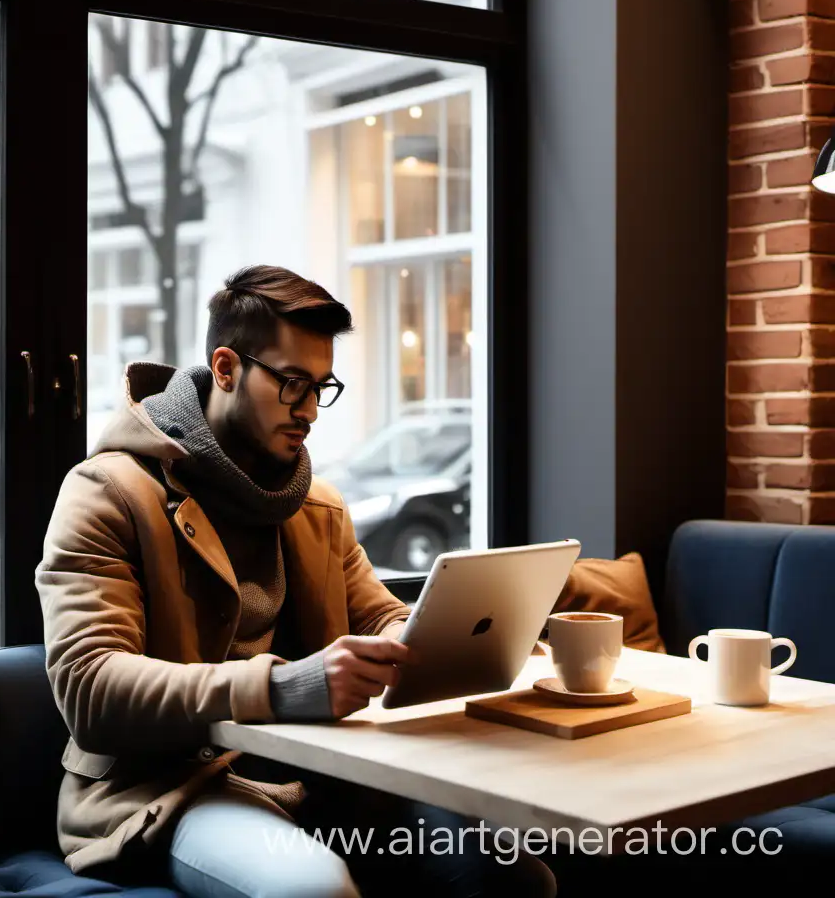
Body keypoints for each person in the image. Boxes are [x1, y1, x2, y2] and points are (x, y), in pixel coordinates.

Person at [36, 265, 556, 898]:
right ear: (225, 368)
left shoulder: (317, 508)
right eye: (290, 383)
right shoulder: (109, 494)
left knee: (514, 876)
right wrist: (287, 687)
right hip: (170, 789)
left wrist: (465, 639)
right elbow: (91, 689)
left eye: (321, 386)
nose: (310, 410)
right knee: (313, 888)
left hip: (327, 774)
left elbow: (379, 619)